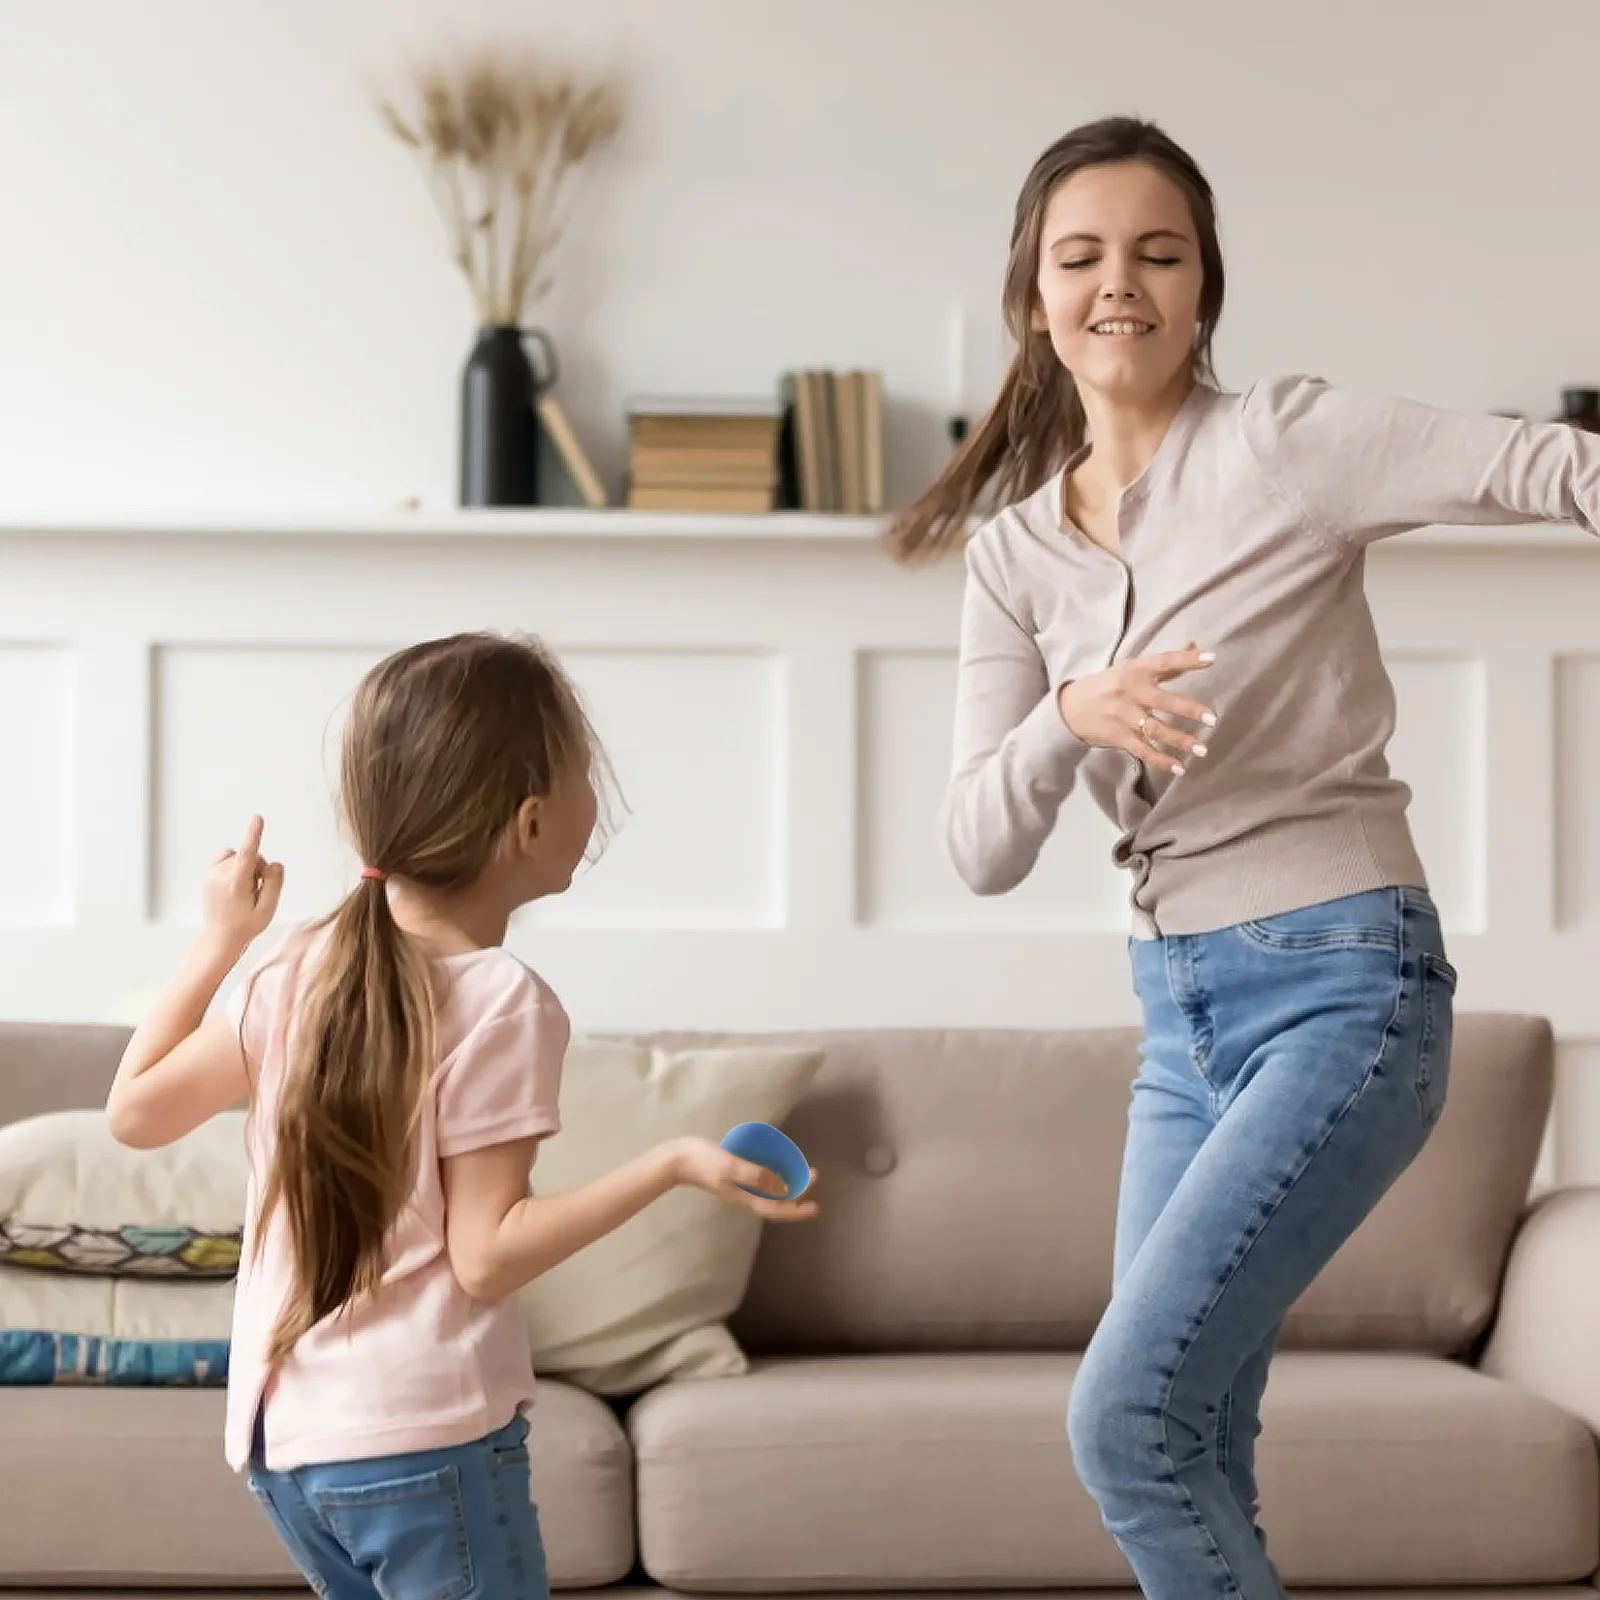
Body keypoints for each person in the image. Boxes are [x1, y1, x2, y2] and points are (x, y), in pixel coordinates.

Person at [888, 116, 1600, 1599]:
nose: (1120, 285)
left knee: (1123, 1419)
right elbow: (977, 847)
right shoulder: (1015, 561)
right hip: (1180, 1025)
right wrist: (1069, 719)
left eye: (1160, 253)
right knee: (1193, 1426)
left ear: (1206, 288)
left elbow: (1547, 469)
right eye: (1080, 257)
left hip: (1347, 984)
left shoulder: (1288, 440)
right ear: (1036, 297)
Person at [103, 632, 816, 1600]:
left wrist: (222, 938)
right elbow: (487, 1253)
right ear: (529, 822)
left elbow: (135, 1112)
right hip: (422, 1441)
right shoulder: (502, 998)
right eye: (583, 774)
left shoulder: (293, 965)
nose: (594, 800)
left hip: (286, 1449)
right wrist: (672, 1165)